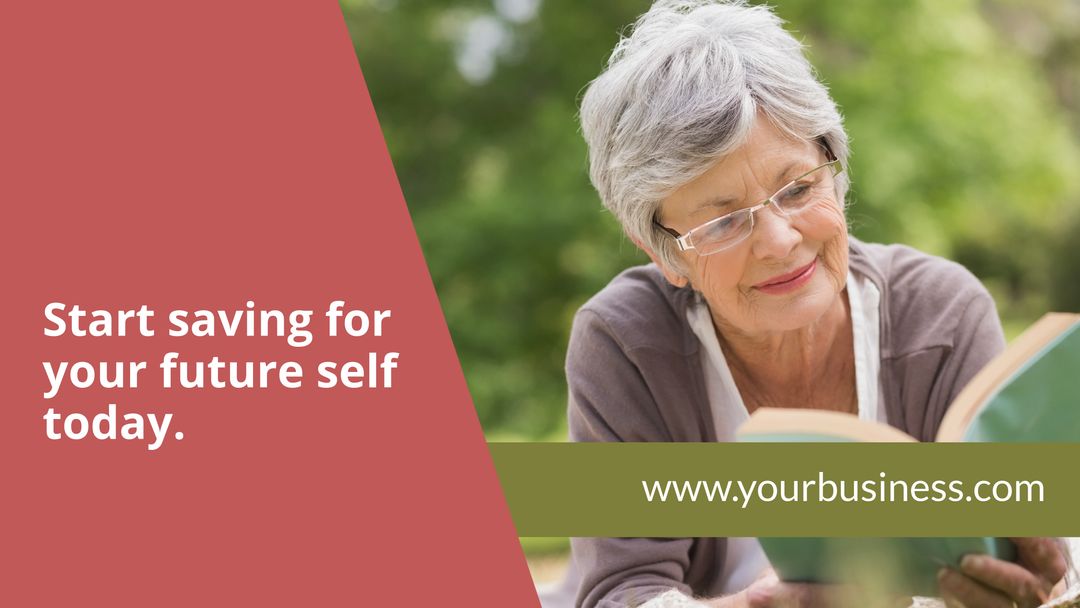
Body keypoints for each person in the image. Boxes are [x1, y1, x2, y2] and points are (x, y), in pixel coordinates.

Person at [540, 1, 1070, 606]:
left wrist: (1033, 567)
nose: (780, 241)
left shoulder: (942, 312)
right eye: (722, 225)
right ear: (666, 255)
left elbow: (1032, 550)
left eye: (798, 189)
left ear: (834, 173)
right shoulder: (624, 342)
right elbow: (621, 589)